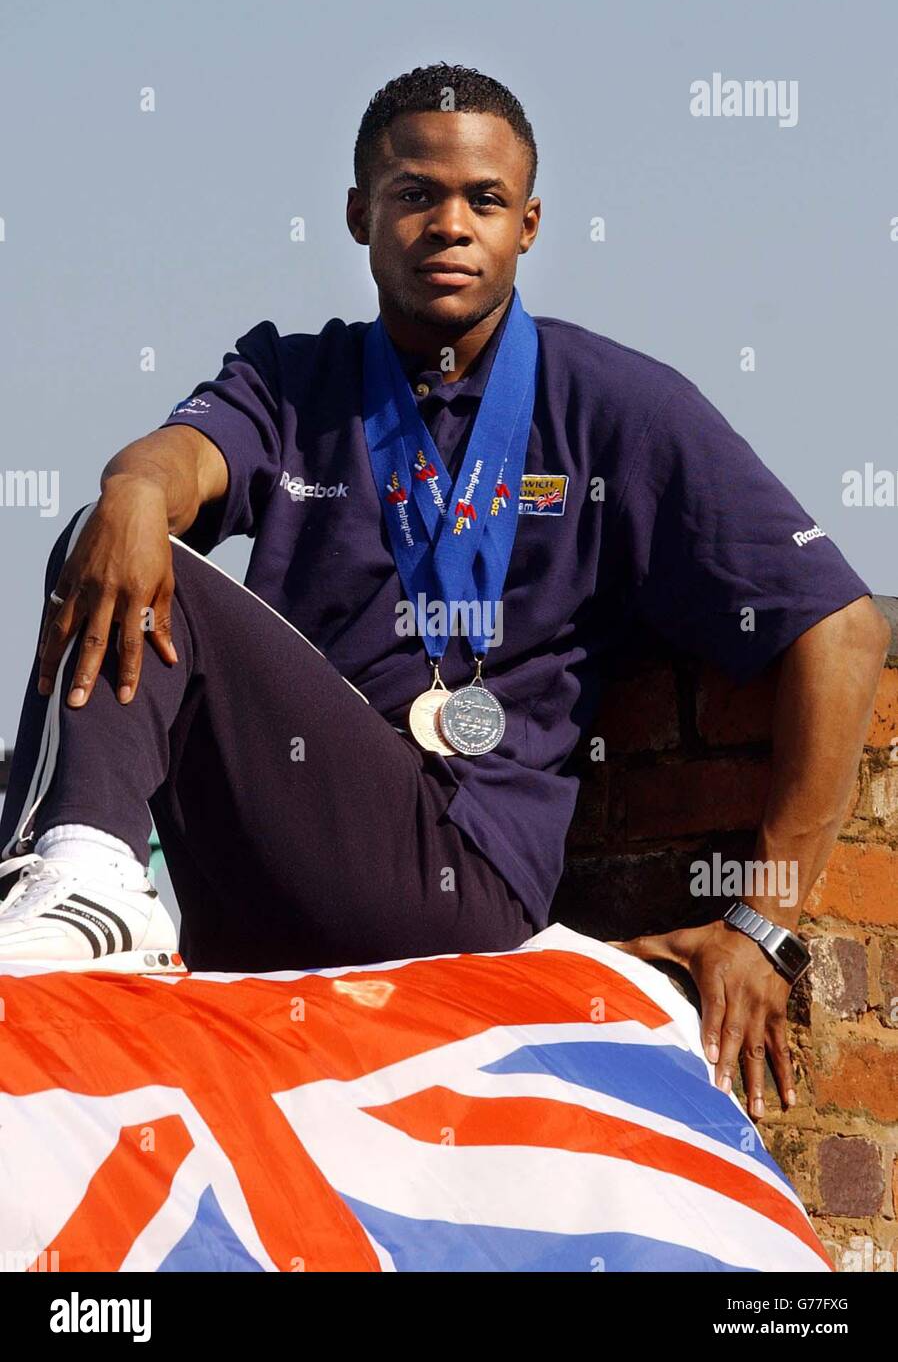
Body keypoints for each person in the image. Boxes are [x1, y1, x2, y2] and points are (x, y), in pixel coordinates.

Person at [0, 64, 889, 1126]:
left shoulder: (615, 406)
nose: (449, 226)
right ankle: (90, 896)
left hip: (455, 874)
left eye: (484, 201)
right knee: (117, 529)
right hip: (273, 877)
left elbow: (840, 631)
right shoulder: (294, 378)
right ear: (357, 215)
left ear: (530, 224)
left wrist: (764, 922)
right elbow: (184, 460)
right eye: (415, 194)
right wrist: (138, 484)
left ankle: (76, 872)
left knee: (146, 564)